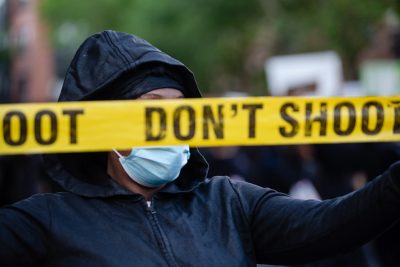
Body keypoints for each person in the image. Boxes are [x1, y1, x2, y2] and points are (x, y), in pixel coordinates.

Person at [1, 30, 400, 267]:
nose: (172, 127)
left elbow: (337, 223)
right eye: (153, 112)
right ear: (105, 125)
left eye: (182, 113)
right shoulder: (48, 222)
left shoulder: (229, 203)